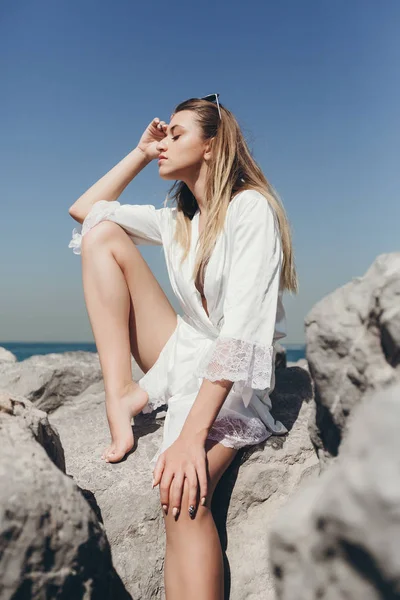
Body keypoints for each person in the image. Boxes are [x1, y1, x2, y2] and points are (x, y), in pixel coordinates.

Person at [68, 94, 298, 599]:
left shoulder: (250, 210)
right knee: (102, 235)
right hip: (180, 352)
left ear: (212, 146)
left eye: (176, 134)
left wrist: (192, 437)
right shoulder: (179, 217)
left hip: (229, 379)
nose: (164, 142)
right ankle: (121, 393)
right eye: (164, 134)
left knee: (182, 497)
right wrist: (140, 151)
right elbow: (85, 213)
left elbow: (238, 338)